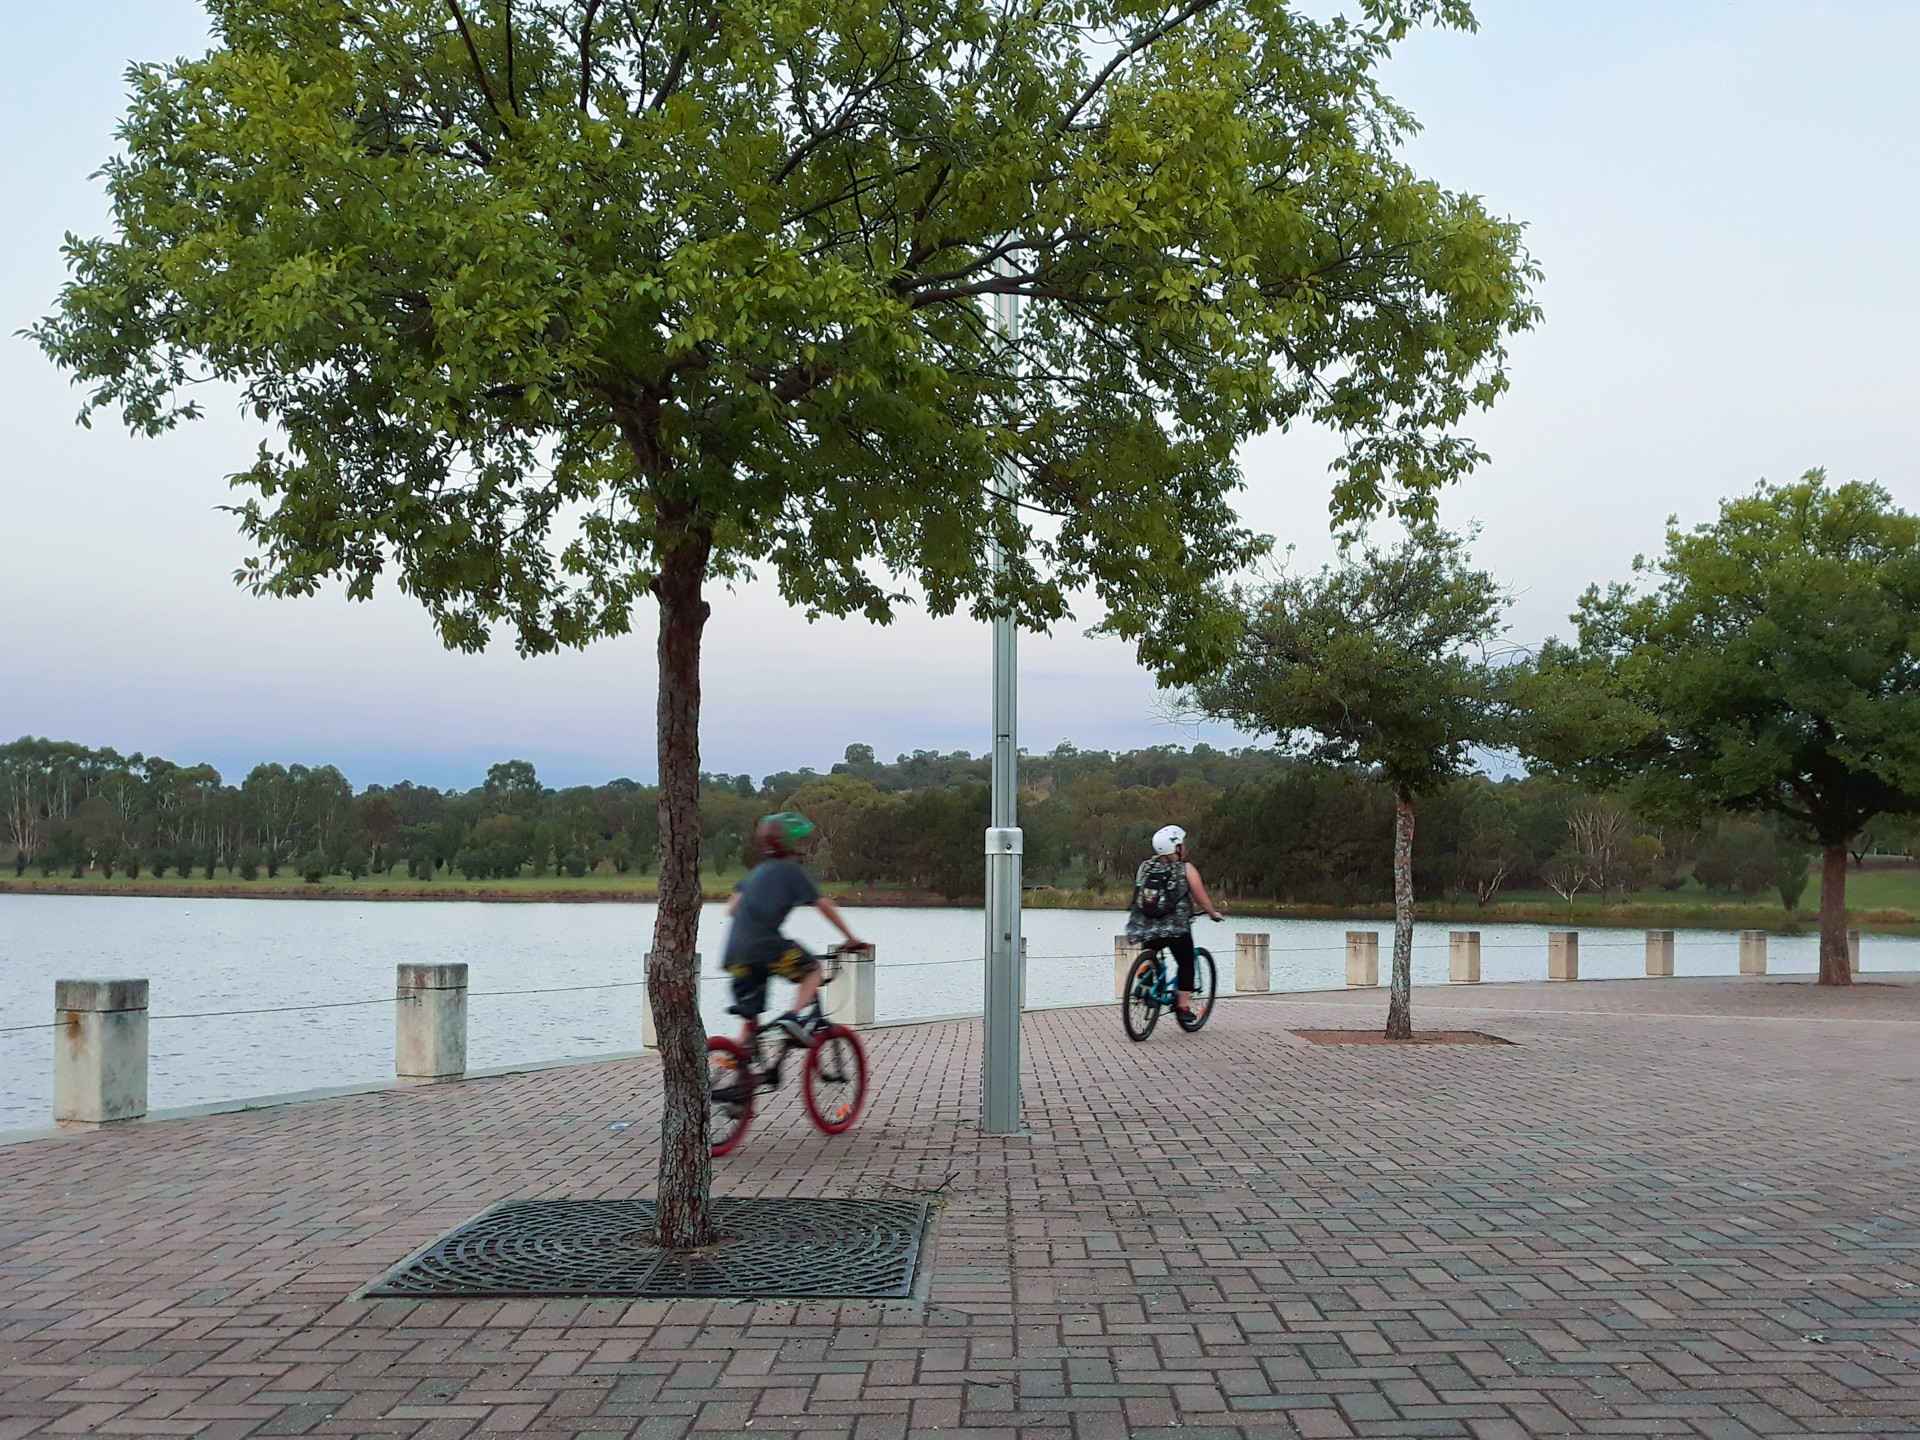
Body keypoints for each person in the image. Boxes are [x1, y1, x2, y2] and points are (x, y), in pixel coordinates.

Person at [722, 811, 866, 1053]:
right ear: (791, 845)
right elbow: (824, 906)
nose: (804, 849)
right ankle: (793, 1017)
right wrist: (851, 939)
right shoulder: (792, 873)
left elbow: (731, 908)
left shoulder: (755, 873)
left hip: (735, 952)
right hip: (765, 946)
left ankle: (738, 1064)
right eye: (801, 843)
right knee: (813, 970)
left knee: (751, 1020)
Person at [1126, 824, 1224, 1025]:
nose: (1184, 847)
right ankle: (1182, 1006)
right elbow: (1201, 897)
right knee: (1186, 962)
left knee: (1151, 950)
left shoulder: (1145, 867)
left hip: (1145, 925)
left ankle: (1145, 977)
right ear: (1176, 848)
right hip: (1176, 928)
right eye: (1182, 844)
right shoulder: (1185, 869)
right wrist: (1213, 913)